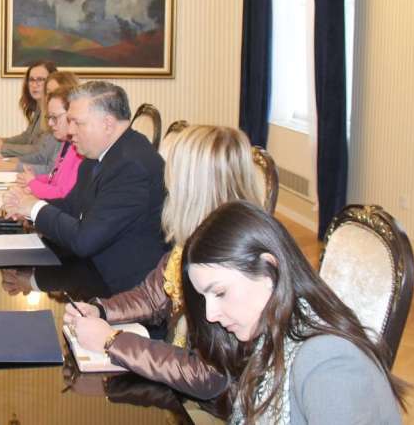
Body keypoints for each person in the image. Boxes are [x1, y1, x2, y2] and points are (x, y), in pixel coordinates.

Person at [62, 125, 265, 399]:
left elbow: (207, 374)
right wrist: (100, 310)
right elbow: (153, 296)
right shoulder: (199, 236)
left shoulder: (230, 261)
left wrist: (111, 342)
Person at [183, 201, 406, 423]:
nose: (210, 315)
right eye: (204, 298)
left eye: (220, 292)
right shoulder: (274, 330)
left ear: (269, 270)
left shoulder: (328, 362)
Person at [3, 81, 167, 293]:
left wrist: (34, 207)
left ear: (107, 124)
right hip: (93, 270)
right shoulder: (99, 154)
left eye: (77, 123)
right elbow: (72, 206)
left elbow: (84, 240)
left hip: (127, 291)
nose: (70, 131)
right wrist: (27, 209)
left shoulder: (131, 165)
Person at [0, 70, 80, 174]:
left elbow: (50, 170)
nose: (48, 98)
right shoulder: (50, 119)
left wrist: (13, 163)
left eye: (55, 93)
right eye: (48, 93)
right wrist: (12, 160)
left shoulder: (68, 137)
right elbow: (41, 155)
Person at [7, 84, 83, 200]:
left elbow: (63, 195)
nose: (50, 123)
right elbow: (53, 178)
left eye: (55, 117)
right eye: (49, 117)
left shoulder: (80, 151)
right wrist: (33, 179)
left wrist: (32, 183)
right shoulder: (67, 144)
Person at [0, 60, 57, 158]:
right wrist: (2, 141)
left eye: (40, 79)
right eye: (31, 80)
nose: (34, 85)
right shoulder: (40, 106)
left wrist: (2, 147)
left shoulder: (54, 112)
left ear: (52, 82)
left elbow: (39, 150)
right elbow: (27, 137)